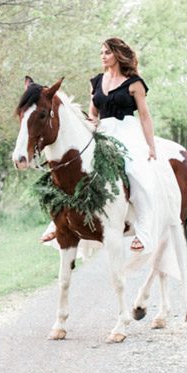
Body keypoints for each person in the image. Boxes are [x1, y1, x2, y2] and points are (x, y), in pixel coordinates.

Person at [41, 37, 161, 253]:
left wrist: (150, 145)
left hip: (127, 133)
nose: (102, 56)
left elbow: (144, 116)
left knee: (136, 172)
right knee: (74, 169)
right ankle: (58, 219)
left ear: (118, 54)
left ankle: (144, 232)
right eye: (101, 52)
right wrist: (90, 130)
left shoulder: (135, 83)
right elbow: (93, 113)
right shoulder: (96, 81)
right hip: (102, 131)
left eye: (106, 52)